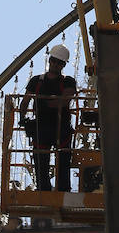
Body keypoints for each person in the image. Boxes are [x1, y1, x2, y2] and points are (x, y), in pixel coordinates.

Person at [19, 44, 77, 192]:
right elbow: (25, 102)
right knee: (40, 160)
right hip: (42, 127)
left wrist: (46, 102)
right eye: (54, 61)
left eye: (59, 63)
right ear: (50, 60)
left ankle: (63, 189)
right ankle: (43, 189)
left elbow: (64, 100)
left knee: (63, 159)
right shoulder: (37, 81)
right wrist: (22, 117)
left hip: (60, 126)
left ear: (63, 65)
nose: (56, 65)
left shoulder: (68, 81)